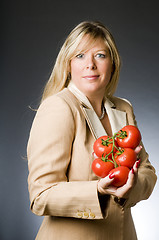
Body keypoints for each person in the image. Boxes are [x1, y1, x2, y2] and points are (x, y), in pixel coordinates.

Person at [27, 21, 157, 240]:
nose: (90, 65)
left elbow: (147, 172)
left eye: (100, 55)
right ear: (68, 65)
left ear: (113, 64)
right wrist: (98, 190)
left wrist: (131, 187)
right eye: (80, 56)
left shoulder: (123, 108)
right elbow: (40, 195)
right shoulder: (59, 107)